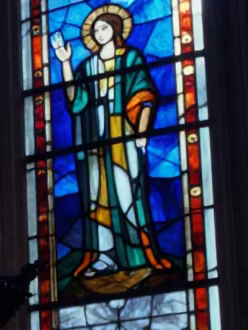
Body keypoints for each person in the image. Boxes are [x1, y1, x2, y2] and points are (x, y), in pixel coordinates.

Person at [51, 4, 173, 295]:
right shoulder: (86, 68)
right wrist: (65, 63)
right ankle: (104, 256)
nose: (100, 33)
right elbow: (76, 102)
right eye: (96, 30)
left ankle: (136, 254)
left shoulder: (130, 58)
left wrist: (142, 132)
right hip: (94, 139)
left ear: (116, 30)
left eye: (104, 28)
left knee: (126, 192)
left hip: (123, 136)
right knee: (96, 196)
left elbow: (145, 95)